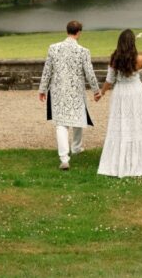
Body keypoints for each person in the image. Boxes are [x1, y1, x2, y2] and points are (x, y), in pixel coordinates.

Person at [38, 20, 102, 171]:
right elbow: (89, 73)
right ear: (78, 32)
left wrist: (42, 89)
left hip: (57, 91)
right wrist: (96, 90)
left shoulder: (53, 48)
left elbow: (47, 71)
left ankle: (65, 157)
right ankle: (76, 148)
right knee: (79, 117)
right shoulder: (83, 51)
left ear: (67, 31)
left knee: (62, 124)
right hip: (76, 91)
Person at [96, 28, 142, 177]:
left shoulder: (114, 59)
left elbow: (110, 80)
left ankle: (119, 160)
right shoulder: (140, 59)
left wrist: (101, 93)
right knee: (137, 123)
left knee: (121, 124)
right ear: (133, 42)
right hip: (136, 91)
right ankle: (139, 160)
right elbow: (140, 71)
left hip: (121, 93)